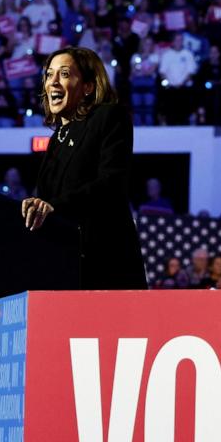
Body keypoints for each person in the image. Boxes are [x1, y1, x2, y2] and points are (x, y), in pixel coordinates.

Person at [24, 46, 147, 289]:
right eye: (49, 75)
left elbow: (111, 182)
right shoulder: (56, 139)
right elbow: (47, 199)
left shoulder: (109, 116)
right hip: (63, 266)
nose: (53, 83)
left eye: (65, 74)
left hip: (106, 263)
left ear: (88, 86)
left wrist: (54, 206)